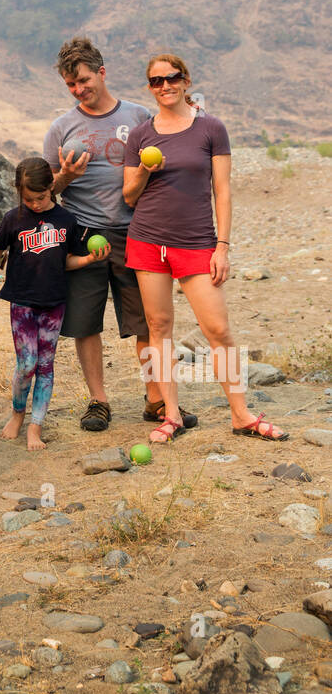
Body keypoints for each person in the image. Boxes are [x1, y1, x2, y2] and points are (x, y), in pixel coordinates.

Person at [124, 53, 288, 444]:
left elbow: (223, 191)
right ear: (149, 87)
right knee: (158, 328)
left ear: (186, 80)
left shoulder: (211, 128)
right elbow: (129, 196)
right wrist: (146, 169)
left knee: (218, 329)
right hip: (147, 240)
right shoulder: (140, 135)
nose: (165, 86)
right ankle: (172, 414)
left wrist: (223, 246)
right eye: (156, 81)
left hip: (197, 243)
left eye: (172, 78)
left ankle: (242, 414)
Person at [43, 36, 185, 434]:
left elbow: (160, 169)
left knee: (146, 322)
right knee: (85, 323)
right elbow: (45, 191)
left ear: (102, 73)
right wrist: (64, 177)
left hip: (136, 231)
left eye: (84, 80)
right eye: (71, 85)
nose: (79, 90)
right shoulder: (61, 127)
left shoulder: (139, 116)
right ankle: (99, 401)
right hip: (82, 234)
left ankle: (155, 398)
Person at [0, 157, 109, 449]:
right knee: (26, 365)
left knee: (46, 365)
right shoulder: (14, 218)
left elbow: (67, 261)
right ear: (18, 193)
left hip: (54, 304)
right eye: (28, 199)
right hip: (22, 302)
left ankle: (36, 425)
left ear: (52, 187)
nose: (35, 204)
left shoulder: (66, 220)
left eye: (41, 197)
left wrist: (88, 258)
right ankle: (18, 413)